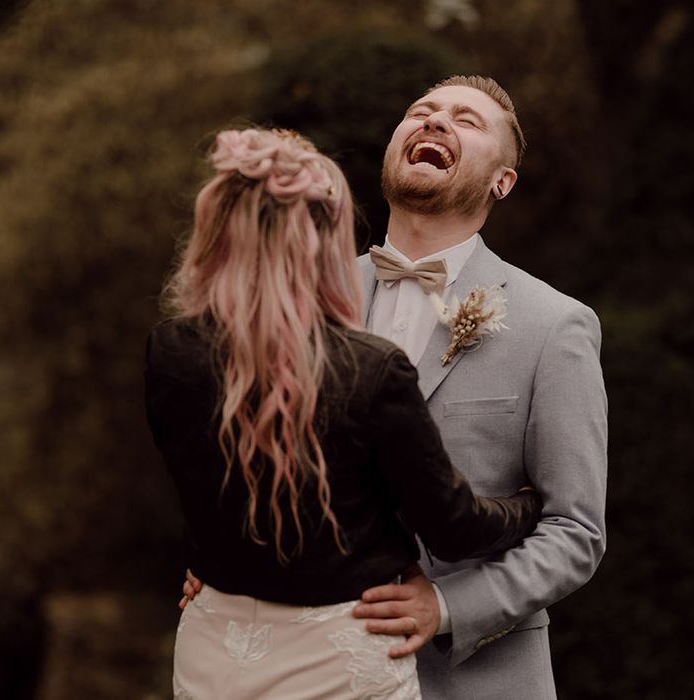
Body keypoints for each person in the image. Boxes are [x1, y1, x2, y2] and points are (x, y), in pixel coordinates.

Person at [144, 127, 543, 699]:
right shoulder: (370, 368)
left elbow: (204, 484)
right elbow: (454, 528)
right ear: (323, 242)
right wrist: (527, 504)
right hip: (338, 655)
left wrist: (212, 557)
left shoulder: (169, 350)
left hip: (214, 646)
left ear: (216, 233)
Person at [343, 75, 608, 699]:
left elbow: (576, 531)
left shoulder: (553, 325)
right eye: (421, 111)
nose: (435, 121)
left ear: (503, 181)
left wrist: (446, 606)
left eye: (466, 120)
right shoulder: (304, 297)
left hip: (468, 683)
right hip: (306, 663)